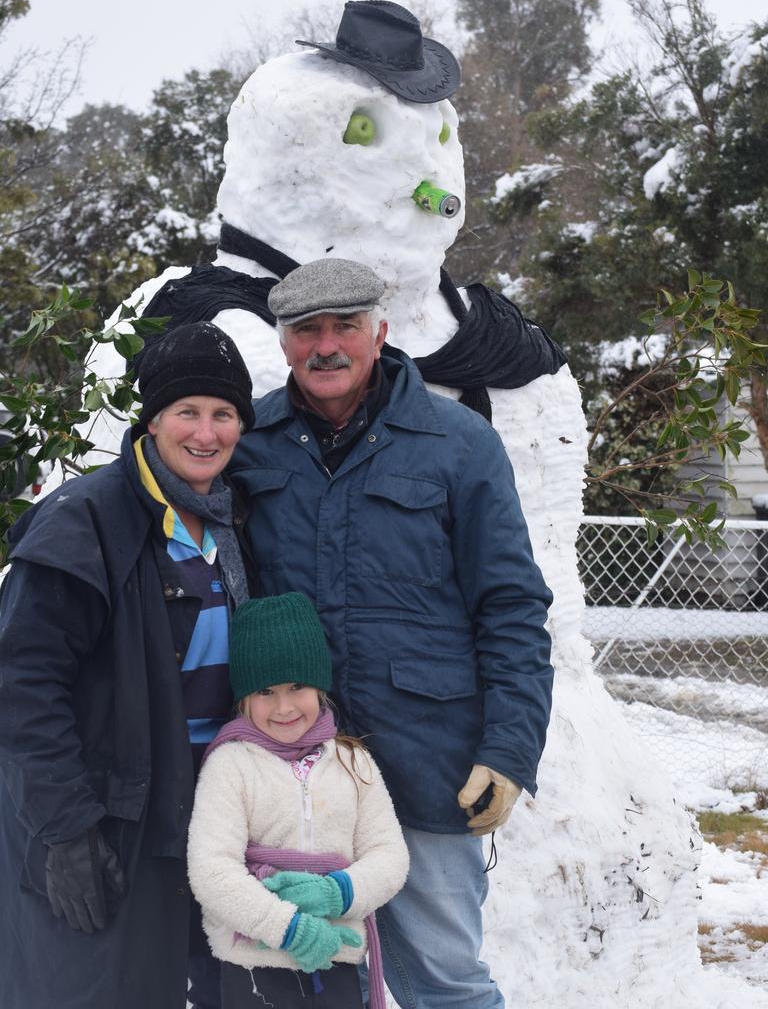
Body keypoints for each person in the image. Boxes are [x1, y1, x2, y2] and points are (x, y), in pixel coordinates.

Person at [227, 257, 555, 1009]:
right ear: (284, 345)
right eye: (307, 330)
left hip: (429, 761)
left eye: (346, 326)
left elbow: (510, 606)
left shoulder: (458, 443)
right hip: (297, 769)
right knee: (310, 981)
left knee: (445, 981)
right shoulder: (255, 445)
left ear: (380, 331)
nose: (327, 345)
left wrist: (508, 750)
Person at [0, 320, 257, 1009]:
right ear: (153, 419)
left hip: (216, 811)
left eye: (224, 414)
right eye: (188, 412)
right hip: (114, 818)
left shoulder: (235, 520)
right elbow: (21, 685)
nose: (206, 434)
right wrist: (67, 829)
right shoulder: (83, 521)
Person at [187, 591, 409, 1009]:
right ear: (243, 699)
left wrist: (337, 894)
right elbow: (211, 870)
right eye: (266, 692)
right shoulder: (230, 765)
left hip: (335, 956)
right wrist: (288, 928)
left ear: (319, 686)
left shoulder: (352, 761)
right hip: (252, 964)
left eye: (298, 686)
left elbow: (389, 856)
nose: (284, 706)